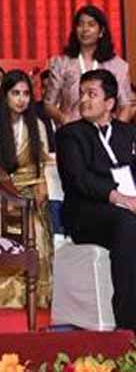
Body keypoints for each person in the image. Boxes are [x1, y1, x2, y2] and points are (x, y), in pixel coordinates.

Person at [56, 69, 136, 330]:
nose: (84, 100)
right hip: (86, 213)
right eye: (82, 94)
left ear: (110, 103)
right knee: (127, 223)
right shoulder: (70, 134)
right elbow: (79, 179)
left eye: (92, 94)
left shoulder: (128, 133)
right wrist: (119, 197)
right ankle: (128, 323)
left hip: (127, 206)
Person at [0, 69, 53, 307]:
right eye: (15, 93)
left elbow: (41, 168)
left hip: (26, 190)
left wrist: (41, 191)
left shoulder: (37, 126)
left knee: (35, 226)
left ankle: (32, 295)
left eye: (26, 93)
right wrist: (4, 199)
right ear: (5, 96)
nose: (21, 99)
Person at [45, 5, 134, 125]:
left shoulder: (117, 66)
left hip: (105, 131)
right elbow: (49, 104)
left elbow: (126, 106)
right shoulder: (62, 63)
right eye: (80, 24)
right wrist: (64, 120)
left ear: (101, 31)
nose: (85, 29)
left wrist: (115, 132)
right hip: (72, 130)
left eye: (91, 25)